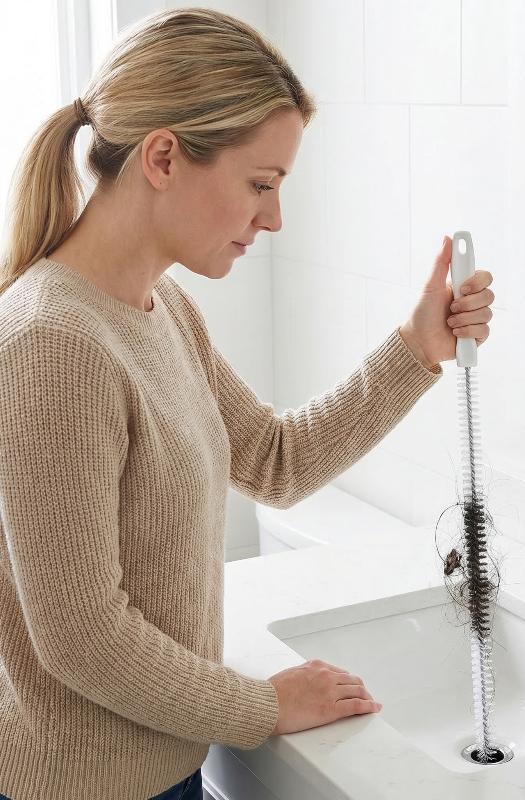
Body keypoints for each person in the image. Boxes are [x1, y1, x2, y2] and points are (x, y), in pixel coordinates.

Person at [0, 7, 494, 800]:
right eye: (260, 184)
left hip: (162, 774)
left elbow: (274, 459)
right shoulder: (52, 343)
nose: (274, 217)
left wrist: (417, 347)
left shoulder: (161, 307)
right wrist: (262, 707)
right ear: (164, 156)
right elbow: (81, 639)